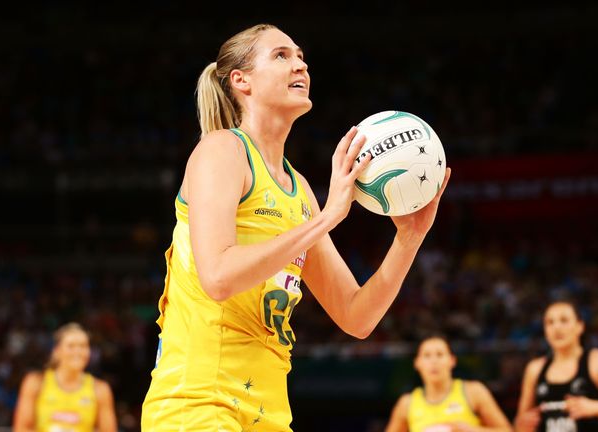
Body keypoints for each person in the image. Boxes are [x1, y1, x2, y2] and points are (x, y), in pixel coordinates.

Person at [140, 23, 451, 431]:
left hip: (268, 412)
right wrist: (325, 219)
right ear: (241, 81)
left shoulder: (299, 189)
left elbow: (357, 317)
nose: (300, 65)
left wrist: (409, 238)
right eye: (281, 56)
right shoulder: (221, 150)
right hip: (199, 403)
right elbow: (217, 277)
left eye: (301, 56)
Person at [514, 300, 598, 431]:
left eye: (564, 320)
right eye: (549, 322)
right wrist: (522, 424)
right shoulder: (534, 369)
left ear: (580, 326)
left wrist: (596, 407)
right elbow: (520, 424)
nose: (556, 327)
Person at [385, 335, 512, 432]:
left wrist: (470, 430)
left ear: (452, 360)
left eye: (440, 354)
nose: (434, 361)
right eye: (427, 355)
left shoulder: (474, 391)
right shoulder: (406, 403)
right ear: (417, 363)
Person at [12, 322, 117, 432]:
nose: (78, 351)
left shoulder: (100, 389)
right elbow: (22, 428)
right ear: (57, 351)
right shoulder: (36, 382)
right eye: (71, 346)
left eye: (83, 346)